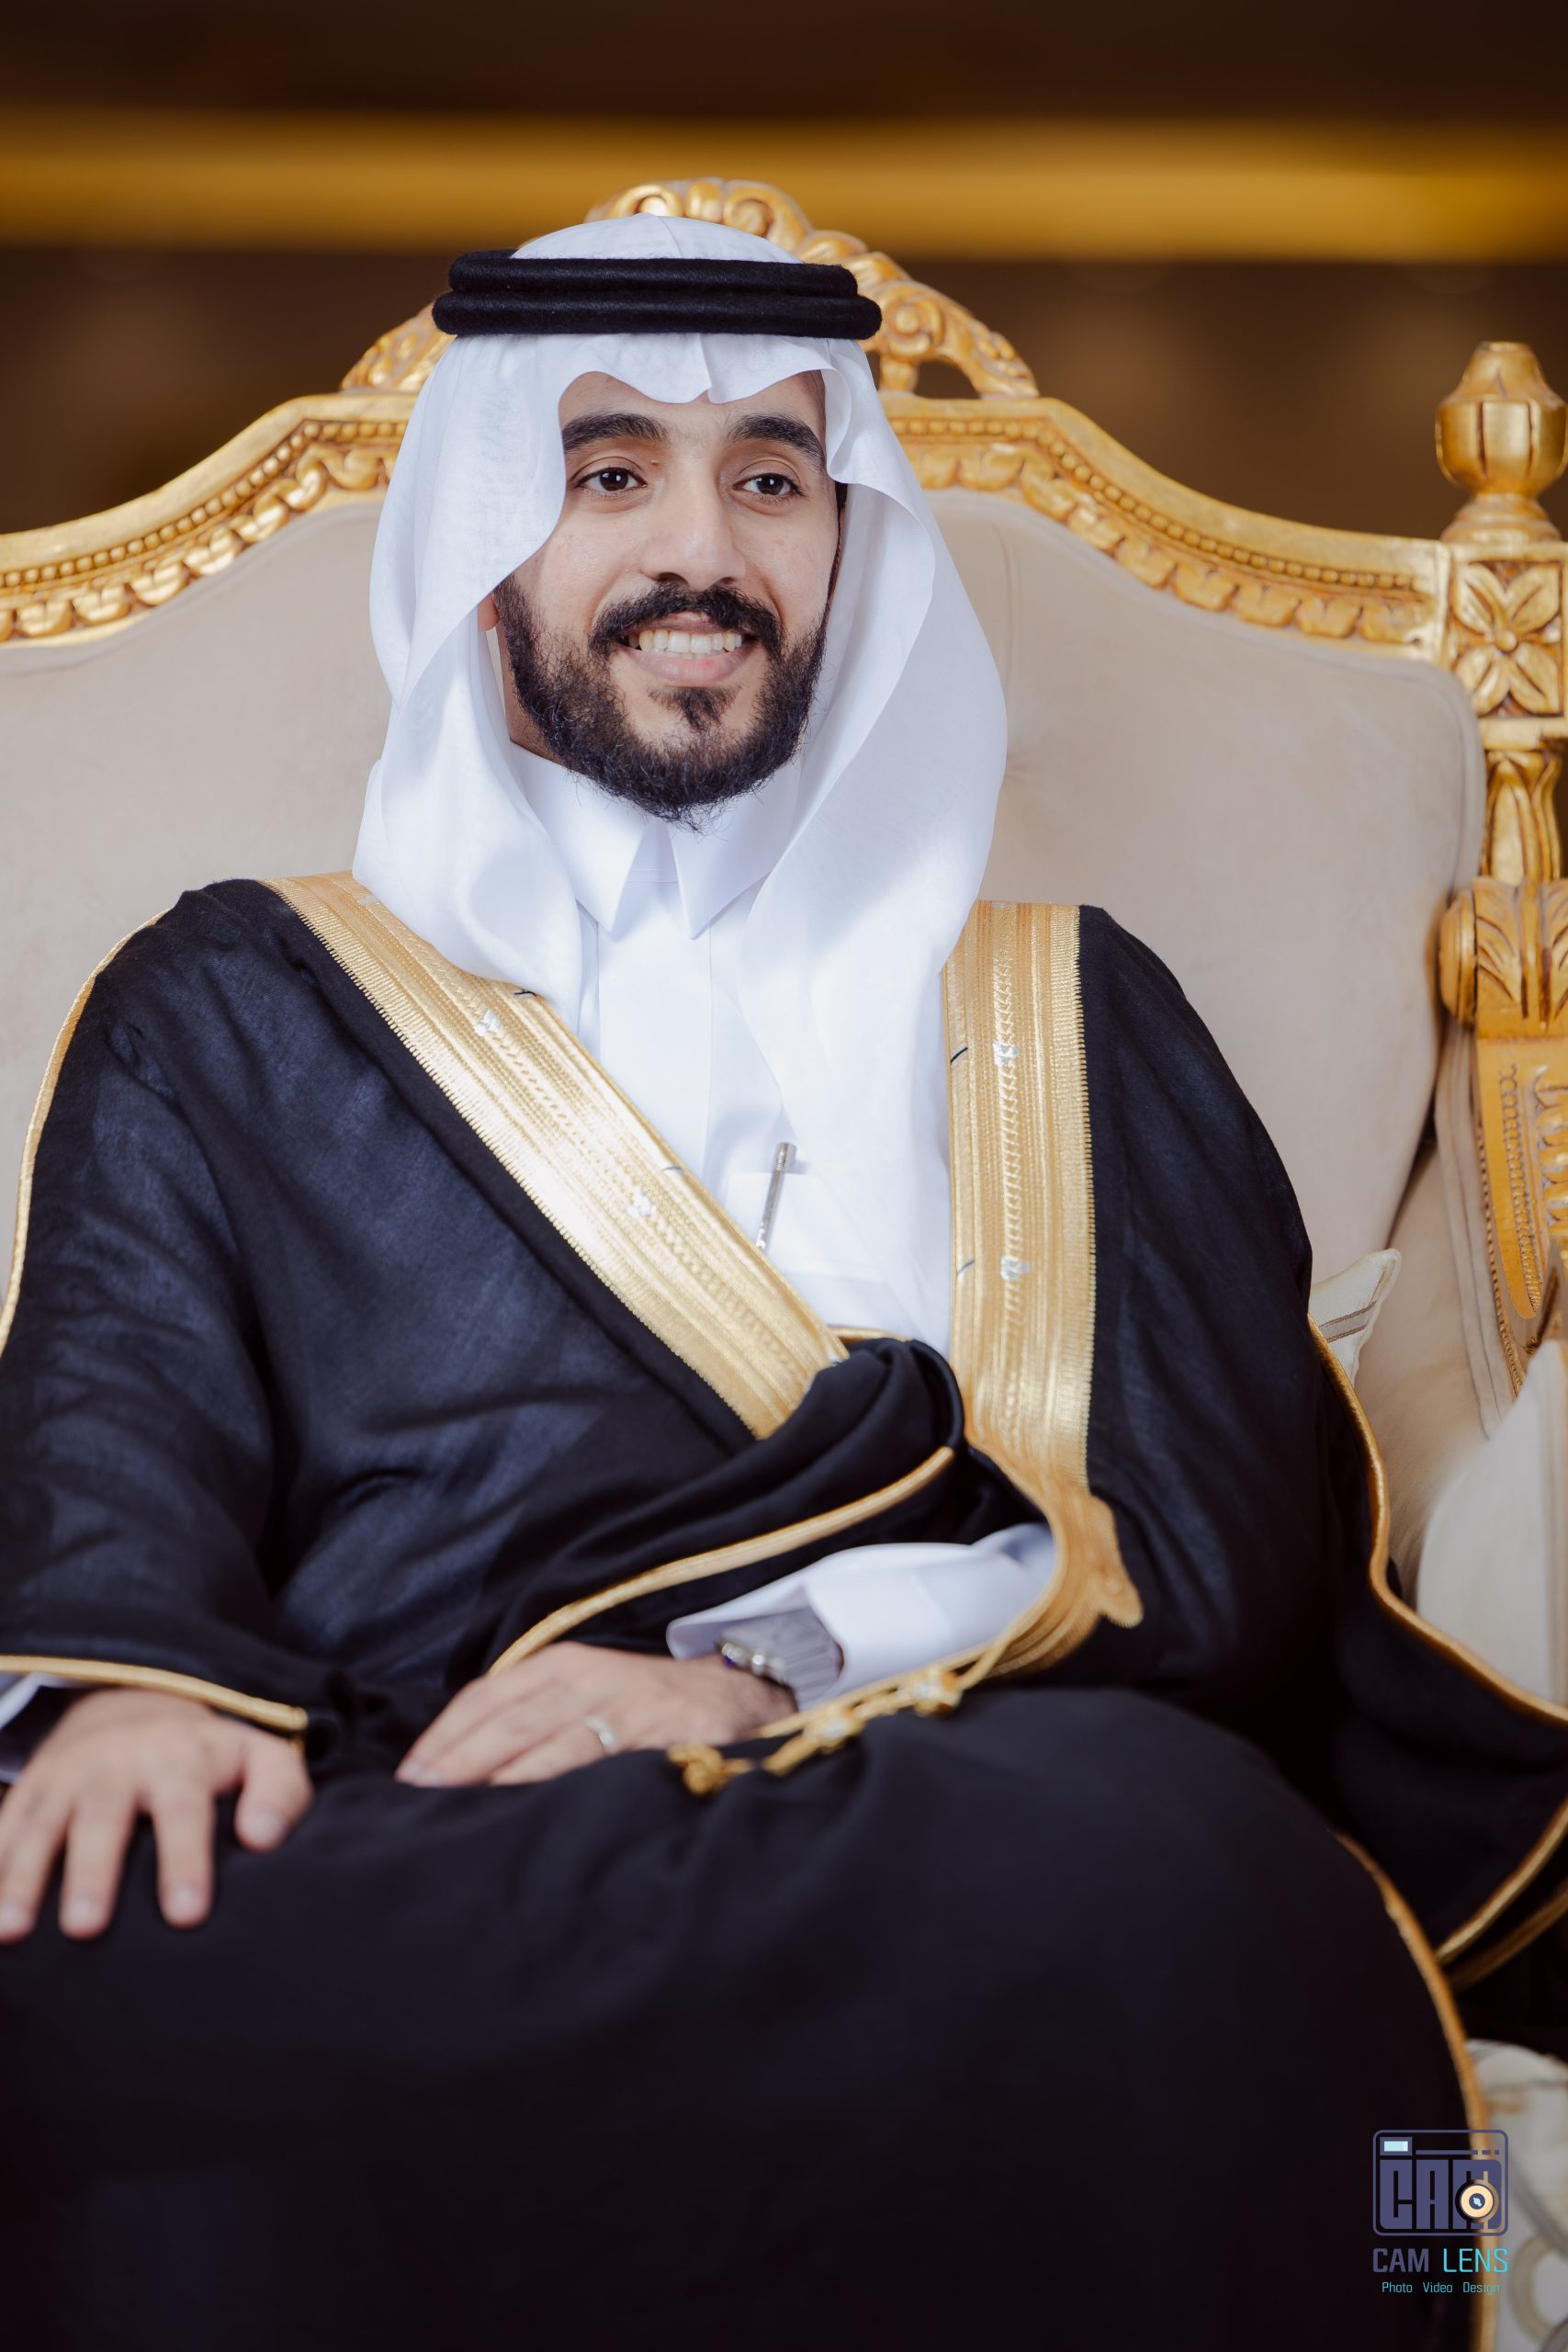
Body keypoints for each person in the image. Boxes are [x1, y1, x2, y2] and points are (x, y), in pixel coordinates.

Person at [0, 215, 1562, 2351]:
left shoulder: (1069, 1011)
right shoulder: (229, 1004)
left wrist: (755, 1668)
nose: (698, 548)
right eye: (607, 469)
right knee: (88, 1958)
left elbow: (1214, 1545)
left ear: (848, 544)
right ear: (481, 535)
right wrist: (132, 1693)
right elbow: (117, 1407)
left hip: (967, 1801)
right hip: (419, 1806)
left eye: (768, 475)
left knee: (1186, 1875)